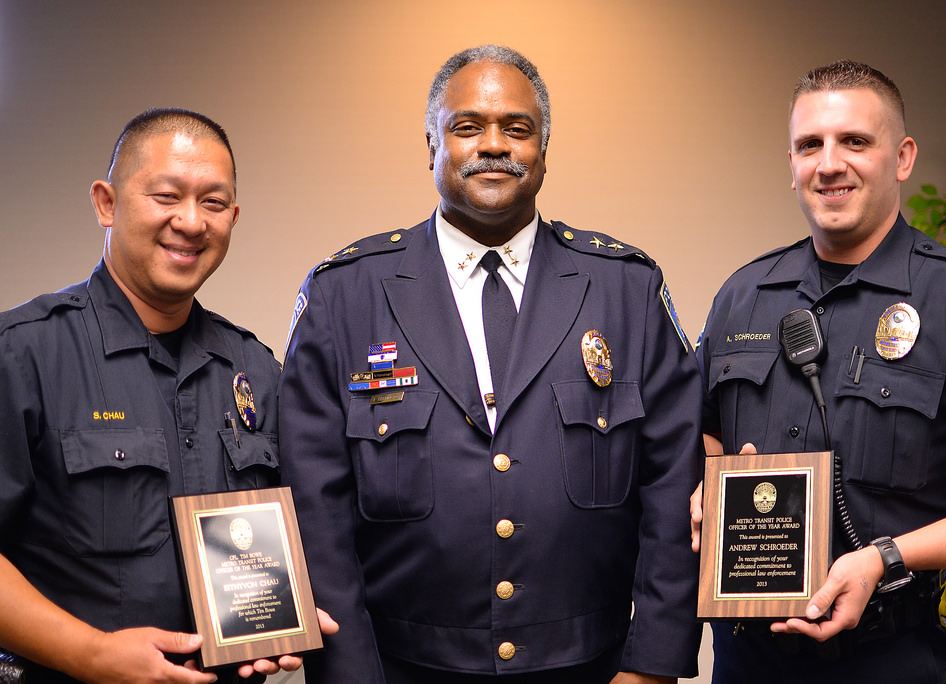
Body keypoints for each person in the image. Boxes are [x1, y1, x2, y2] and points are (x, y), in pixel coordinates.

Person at [279, 45, 704, 683]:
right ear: (431, 146)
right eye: (468, 127)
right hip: (404, 667)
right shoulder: (346, 293)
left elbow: (675, 490)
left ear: (543, 150)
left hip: (593, 667)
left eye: (518, 129)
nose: (494, 145)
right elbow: (316, 509)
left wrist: (652, 667)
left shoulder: (626, 289)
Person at [691, 60, 946, 683]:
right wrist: (705, 485)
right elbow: (702, 428)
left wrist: (884, 558)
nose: (829, 163)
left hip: (889, 658)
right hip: (746, 660)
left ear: (902, 157)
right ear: (790, 164)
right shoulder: (742, 295)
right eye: (809, 145)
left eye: (855, 142)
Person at [0, 108, 335, 683]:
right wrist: (90, 655)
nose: (190, 221)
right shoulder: (23, 354)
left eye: (212, 203)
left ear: (232, 217)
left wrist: (281, 620)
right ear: (106, 203)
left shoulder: (255, 369)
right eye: (166, 195)